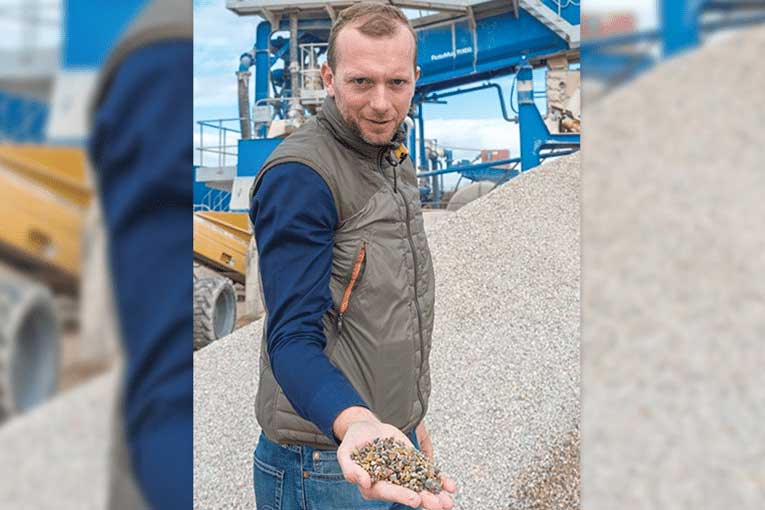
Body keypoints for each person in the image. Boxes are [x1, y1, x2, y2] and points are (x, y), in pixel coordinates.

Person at [249, 3, 456, 509]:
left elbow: (382, 308)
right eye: (362, 82)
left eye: (397, 83)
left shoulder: (390, 156)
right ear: (329, 77)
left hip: (386, 438)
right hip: (322, 463)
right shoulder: (302, 176)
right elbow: (291, 338)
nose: (382, 103)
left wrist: (405, 416)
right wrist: (360, 422)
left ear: (415, 79)